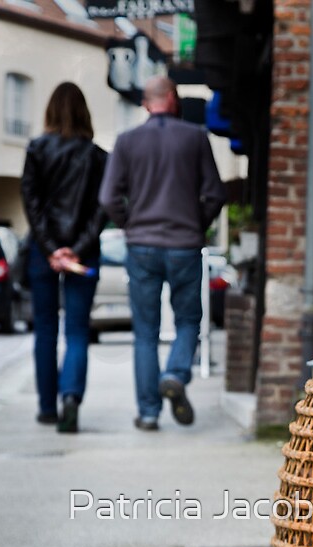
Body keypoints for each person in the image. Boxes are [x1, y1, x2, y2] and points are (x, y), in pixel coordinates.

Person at [99, 76, 227, 431]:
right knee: (188, 321)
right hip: (185, 244)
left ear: (145, 103)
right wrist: (195, 224)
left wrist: (130, 225)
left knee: (145, 331)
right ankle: (175, 372)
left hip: (141, 246)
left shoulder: (126, 142)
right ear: (171, 98)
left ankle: (149, 412)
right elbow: (215, 194)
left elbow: (108, 198)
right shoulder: (195, 138)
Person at [21, 82, 107, 433]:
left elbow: (31, 203)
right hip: (82, 255)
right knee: (76, 330)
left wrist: (50, 248)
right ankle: (70, 397)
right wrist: (77, 248)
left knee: (44, 329)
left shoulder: (37, 149)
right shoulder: (99, 156)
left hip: (44, 255)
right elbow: (102, 211)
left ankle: (47, 407)